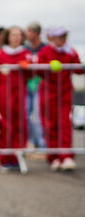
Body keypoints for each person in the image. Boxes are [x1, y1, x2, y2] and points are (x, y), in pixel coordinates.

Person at [37, 26, 83, 171]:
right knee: (50, 125)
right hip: (48, 93)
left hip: (65, 93)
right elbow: (37, 70)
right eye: (59, 36)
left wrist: (82, 66)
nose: (62, 39)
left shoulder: (70, 50)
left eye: (64, 36)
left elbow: (78, 69)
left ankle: (66, 156)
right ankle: (53, 156)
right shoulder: (45, 51)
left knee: (65, 123)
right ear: (51, 38)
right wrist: (48, 67)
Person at [0, 26, 32, 172]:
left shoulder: (26, 54)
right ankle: (5, 159)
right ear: (8, 37)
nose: (16, 37)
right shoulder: (0, 55)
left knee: (21, 126)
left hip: (20, 96)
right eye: (13, 35)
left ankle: (18, 157)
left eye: (19, 35)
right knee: (6, 128)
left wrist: (29, 68)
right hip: (4, 97)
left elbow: (34, 75)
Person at [24, 21, 46, 150]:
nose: (27, 34)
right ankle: (31, 142)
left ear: (37, 33)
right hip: (27, 86)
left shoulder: (45, 48)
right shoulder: (25, 49)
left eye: (30, 31)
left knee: (38, 117)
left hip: (40, 86)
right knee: (26, 115)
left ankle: (42, 144)